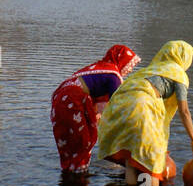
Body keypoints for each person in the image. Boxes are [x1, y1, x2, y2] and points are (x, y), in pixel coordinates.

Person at [97, 40, 193, 186]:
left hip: (120, 106)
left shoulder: (151, 70)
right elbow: (184, 111)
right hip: (142, 107)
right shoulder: (178, 75)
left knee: (132, 158)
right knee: (149, 160)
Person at [50, 45, 141, 173]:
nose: (130, 69)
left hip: (60, 98)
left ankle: (70, 171)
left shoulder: (100, 68)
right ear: (121, 60)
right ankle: (78, 175)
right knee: (83, 141)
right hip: (72, 98)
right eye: (130, 64)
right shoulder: (113, 75)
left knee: (70, 140)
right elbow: (118, 106)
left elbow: (102, 109)